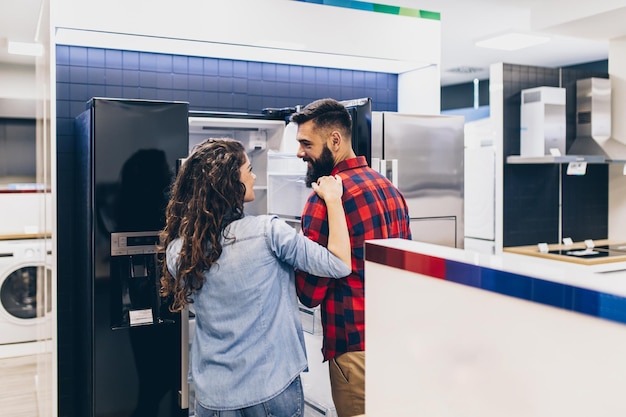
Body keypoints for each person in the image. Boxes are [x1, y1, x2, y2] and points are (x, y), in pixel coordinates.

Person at [158, 138, 352, 417]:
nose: (254, 175)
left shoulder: (179, 250)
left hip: (214, 395)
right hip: (269, 389)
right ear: (230, 182)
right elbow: (339, 264)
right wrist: (333, 199)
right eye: (248, 169)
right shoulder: (268, 232)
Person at [290, 98, 412, 417]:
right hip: (397, 338)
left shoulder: (324, 202)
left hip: (354, 348)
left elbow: (309, 293)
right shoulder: (391, 190)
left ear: (335, 140)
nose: (300, 152)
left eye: (306, 143)